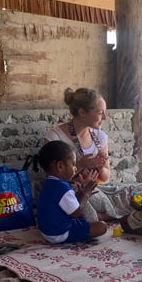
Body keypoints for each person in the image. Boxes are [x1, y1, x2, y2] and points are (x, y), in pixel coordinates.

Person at [44, 87, 122, 222]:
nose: (104, 117)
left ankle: (104, 215)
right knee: (86, 209)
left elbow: (105, 177)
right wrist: (81, 164)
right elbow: (50, 177)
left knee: (134, 192)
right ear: (82, 112)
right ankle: (103, 216)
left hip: (96, 188)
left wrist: (100, 166)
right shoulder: (55, 136)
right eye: (100, 113)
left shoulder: (100, 136)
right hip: (70, 192)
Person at [34, 140, 107, 244]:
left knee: (86, 222)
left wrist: (81, 193)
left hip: (46, 232)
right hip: (60, 233)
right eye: (73, 164)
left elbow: (66, 204)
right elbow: (76, 213)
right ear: (60, 166)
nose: (75, 168)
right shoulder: (62, 187)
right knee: (102, 226)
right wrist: (85, 194)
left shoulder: (49, 184)